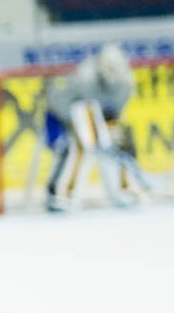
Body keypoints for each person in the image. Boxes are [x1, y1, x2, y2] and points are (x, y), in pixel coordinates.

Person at [44, 43, 153, 211]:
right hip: (62, 116)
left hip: (94, 117)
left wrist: (109, 136)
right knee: (79, 147)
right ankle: (61, 194)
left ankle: (124, 190)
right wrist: (96, 135)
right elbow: (80, 113)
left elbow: (113, 115)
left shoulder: (125, 84)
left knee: (118, 141)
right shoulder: (86, 77)